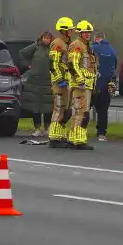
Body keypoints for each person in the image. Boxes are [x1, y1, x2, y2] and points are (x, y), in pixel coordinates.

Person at [64, 20, 97, 150]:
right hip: (80, 85)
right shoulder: (77, 45)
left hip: (87, 85)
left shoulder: (87, 46)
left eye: (89, 32)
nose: (88, 34)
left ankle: (76, 138)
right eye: (85, 32)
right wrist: (80, 79)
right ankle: (77, 140)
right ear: (80, 33)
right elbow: (72, 64)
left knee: (83, 112)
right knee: (81, 112)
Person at [19, 30, 54, 137]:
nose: (46, 40)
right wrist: (28, 65)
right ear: (41, 38)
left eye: (48, 38)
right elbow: (22, 54)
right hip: (35, 81)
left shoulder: (53, 49)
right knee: (36, 106)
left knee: (48, 106)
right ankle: (38, 128)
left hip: (48, 81)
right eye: (45, 38)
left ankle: (47, 128)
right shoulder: (35, 47)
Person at [48, 17, 75, 148]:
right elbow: (53, 64)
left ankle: (60, 135)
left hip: (67, 82)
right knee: (59, 109)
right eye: (70, 29)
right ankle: (54, 137)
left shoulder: (68, 44)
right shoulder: (57, 43)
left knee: (66, 110)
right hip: (59, 83)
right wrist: (60, 79)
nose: (72, 31)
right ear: (64, 30)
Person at [90, 31, 117, 142]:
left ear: (96, 38)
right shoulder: (112, 50)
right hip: (106, 84)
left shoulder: (92, 48)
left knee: (85, 108)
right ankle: (101, 133)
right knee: (103, 110)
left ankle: (79, 130)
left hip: (92, 83)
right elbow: (114, 67)